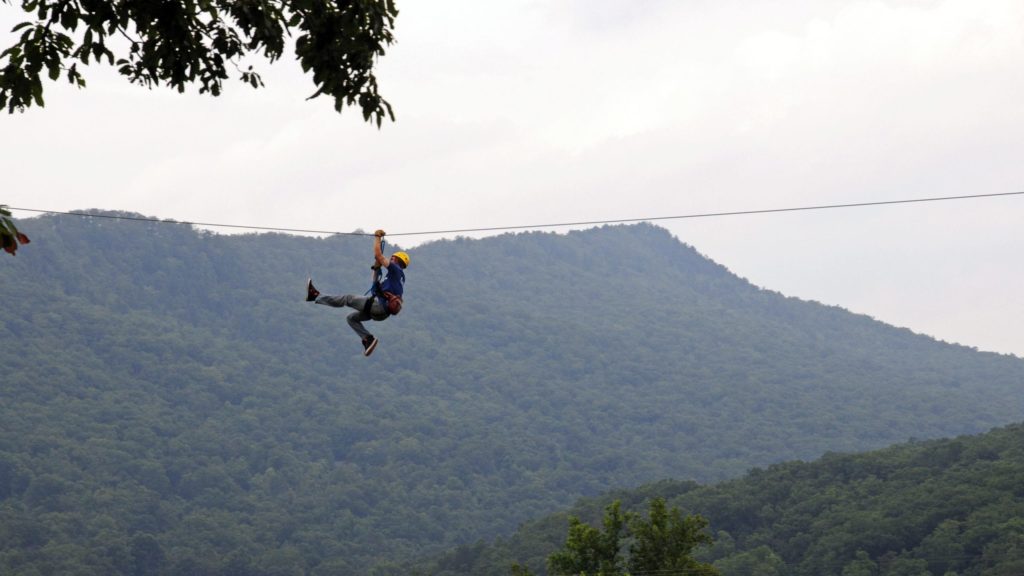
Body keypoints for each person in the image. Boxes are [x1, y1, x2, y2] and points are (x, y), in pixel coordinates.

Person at [306, 230, 409, 357]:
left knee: (347, 298)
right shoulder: (396, 279)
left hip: (379, 307)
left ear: (396, 260)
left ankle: (315, 295)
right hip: (381, 314)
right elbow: (374, 282)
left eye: (392, 258)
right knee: (351, 318)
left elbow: (378, 255)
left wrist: (377, 237)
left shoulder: (395, 269)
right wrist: (376, 267)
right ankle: (368, 339)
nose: (390, 259)